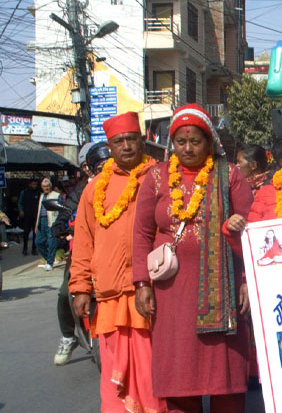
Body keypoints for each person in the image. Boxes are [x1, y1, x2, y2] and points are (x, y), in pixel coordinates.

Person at [132, 104, 254, 413]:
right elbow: (141, 234)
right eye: (180, 141)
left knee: (224, 376)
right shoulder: (157, 178)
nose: (187, 148)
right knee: (177, 372)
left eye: (195, 141)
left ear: (209, 142)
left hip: (223, 289)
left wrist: (245, 281)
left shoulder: (230, 176)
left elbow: (252, 230)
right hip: (171, 293)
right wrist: (141, 283)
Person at [68, 112, 164, 413]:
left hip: (151, 291)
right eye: (118, 142)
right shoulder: (95, 188)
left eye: (131, 140)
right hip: (110, 294)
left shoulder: (160, 177)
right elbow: (83, 241)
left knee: (152, 371)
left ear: (142, 141)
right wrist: (81, 287)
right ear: (109, 146)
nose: (126, 147)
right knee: (113, 374)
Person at [52, 142, 109, 366]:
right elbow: (62, 219)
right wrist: (64, 229)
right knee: (65, 292)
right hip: (83, 252)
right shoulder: (80, 192)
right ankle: (68, 336)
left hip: (116, 253)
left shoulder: (128, 183)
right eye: (93, 166)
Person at [34, 177, 64, 271]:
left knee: (52, 241)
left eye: (47, 186)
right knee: (38, 242)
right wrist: (36, 224)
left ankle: (49, 262)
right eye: (44, 186)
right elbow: (39, 210)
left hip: (52, 220)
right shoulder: (42, 195)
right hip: (42, 220)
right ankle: (49, 259)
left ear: (50, 186)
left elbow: (61, 209)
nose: (46, 188)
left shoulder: (56, 195)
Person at [18, 179, 39, 255]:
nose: (34, 186)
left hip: (35, 215)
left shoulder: (38, 193)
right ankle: (25, 249)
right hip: (27, 215)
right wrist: (21, 210)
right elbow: (20, 202)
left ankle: (34, 249)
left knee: (35, 233)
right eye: (33, 184)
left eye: (35, 184)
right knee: (26, 232)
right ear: (29, 184)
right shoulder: (24, 192)